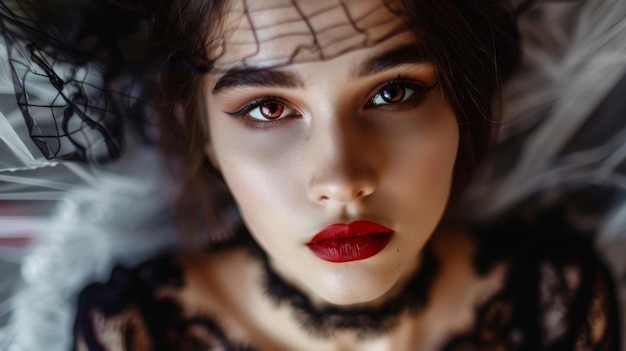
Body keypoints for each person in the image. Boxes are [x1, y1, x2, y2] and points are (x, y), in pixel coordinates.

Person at [0, 0, 621, 350]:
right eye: (268, 108)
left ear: (463, 105)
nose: (341, 178)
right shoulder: (134, 334)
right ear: (205, 139)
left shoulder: (550, 308)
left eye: (394, 92)